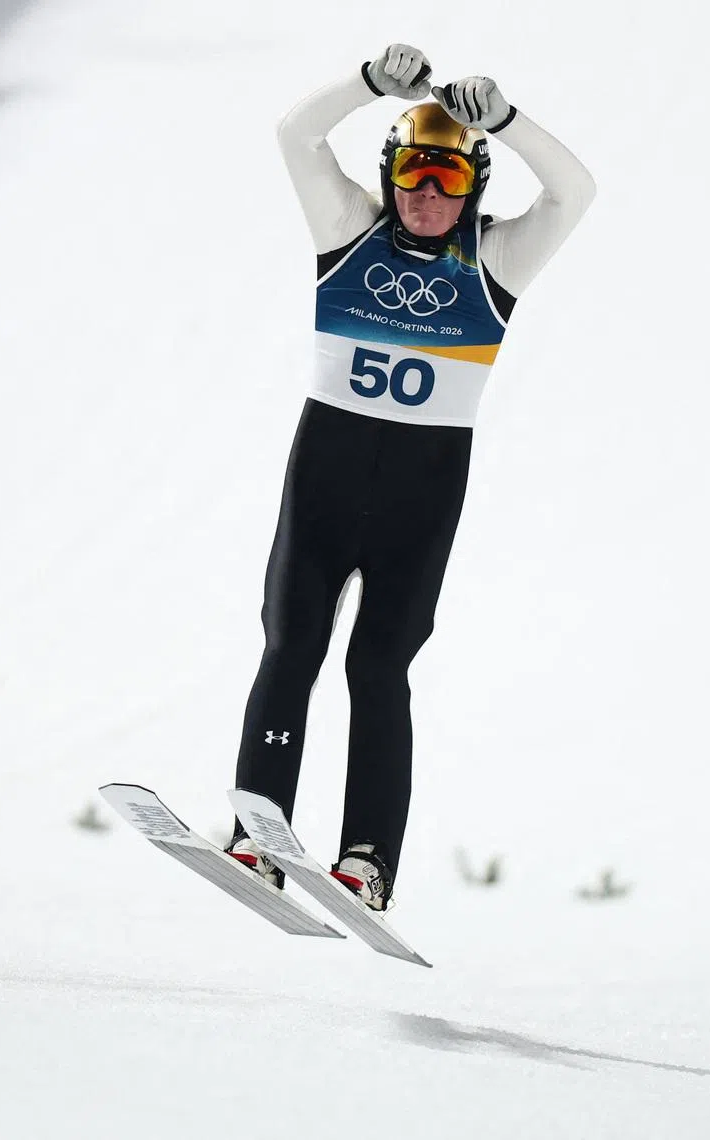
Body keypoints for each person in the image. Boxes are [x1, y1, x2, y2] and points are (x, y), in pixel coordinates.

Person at [226, 43, 595, 910]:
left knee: (378, 667)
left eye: (449, 181)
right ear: (389, 173)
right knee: (291, 645)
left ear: (474, 187)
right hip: (326, 468)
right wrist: (363, 86)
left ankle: (367, 859)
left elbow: (575, 192)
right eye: (414, 176)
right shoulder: (346, 230)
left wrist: (505, 122)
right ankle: (256, 833)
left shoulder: (497, 261)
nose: (428, 197)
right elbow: (294, 135)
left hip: (420, 494)